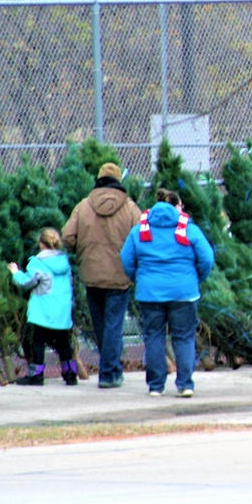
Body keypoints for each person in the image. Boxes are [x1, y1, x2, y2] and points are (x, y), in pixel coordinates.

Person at [120, 189, 214, 397]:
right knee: (184, 337)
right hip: (184, 292)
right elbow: (207, 258)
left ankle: (156, 386)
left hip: (149, 293)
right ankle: (185, 384)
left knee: (154, 336)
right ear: (177, 207)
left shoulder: (139, 231)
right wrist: (195, 278)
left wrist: (141, 279)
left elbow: (126, 259)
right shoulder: (189, 229)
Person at [62, 162, 142, 389]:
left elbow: (68, 236)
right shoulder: (130, 207)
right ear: (119, 180)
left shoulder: (83, 206)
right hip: (120, 274)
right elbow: (140, 236)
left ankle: (112, 370)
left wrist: (83, 250)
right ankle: (109, 373)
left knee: (101, 325)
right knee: (114, 325)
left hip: (92, 273)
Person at [7, 228, 78, 386]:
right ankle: (70, 373)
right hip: (62, 310)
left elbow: (27, 282)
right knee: (64, 342)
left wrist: (16, 272)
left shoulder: (37, 263)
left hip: (43, 310)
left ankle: (36, 375)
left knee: (38, 342)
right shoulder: (65, 262)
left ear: (41, 244)